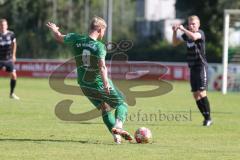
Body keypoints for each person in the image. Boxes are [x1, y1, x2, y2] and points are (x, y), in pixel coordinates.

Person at [46, 16, 133, 144]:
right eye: (104, 30)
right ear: (99, 29)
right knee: (122, 105)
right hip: (98, 83)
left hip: (84, 85)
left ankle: (117, 138)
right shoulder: (99, 46)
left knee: (105, 108)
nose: (104, 33)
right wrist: (106, 84)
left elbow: (59, 37)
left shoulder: (76, 38)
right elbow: (102, 66)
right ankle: (119, 126)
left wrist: (54, 30)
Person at [172, 15, 212, 126]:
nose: (191, 25)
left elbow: (194, 37)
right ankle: (206, 117)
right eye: (190, 23)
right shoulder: (186, 35)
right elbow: (175, 43)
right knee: (195, 94)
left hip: (201, 66)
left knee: (202, 92)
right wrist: (175, 31)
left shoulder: (200, 33)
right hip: (192, 67)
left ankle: (208, 118)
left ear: (198, 24)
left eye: (193, 23)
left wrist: (182, 28)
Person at [0, 19, 19, 100]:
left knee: (14, 76)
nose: (3, 26)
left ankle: (12, 94)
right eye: (1, 25)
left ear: (7, 25)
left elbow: (14, 44)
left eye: (4, 25)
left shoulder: (11, 34)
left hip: (8, 59)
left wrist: (13, 55)